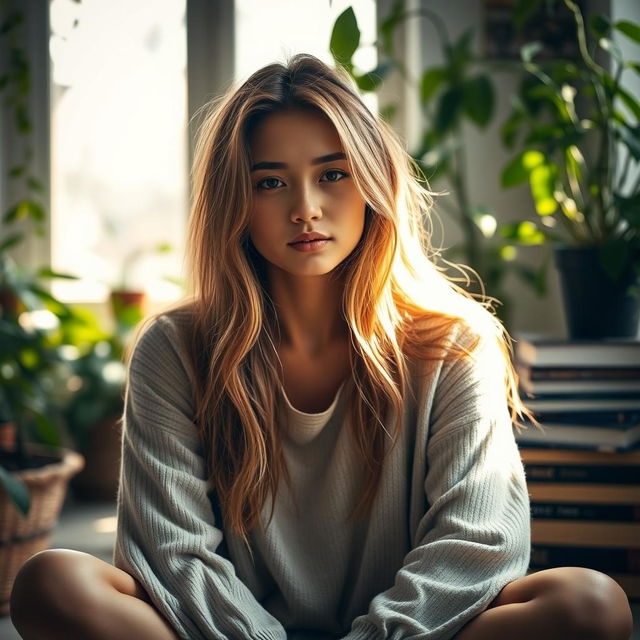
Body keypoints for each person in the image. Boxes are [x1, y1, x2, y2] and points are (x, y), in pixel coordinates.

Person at [9, 54, 633, 640]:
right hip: (233, 631)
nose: (306, 208)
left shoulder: (452, 344)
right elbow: (171, 550)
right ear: (236, 202)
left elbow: (478, 542)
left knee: (590, 604)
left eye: (332, 174)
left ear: (372, 183)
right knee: (53, 582)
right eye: (271, 182)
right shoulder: (175, 347)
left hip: (403, 631)